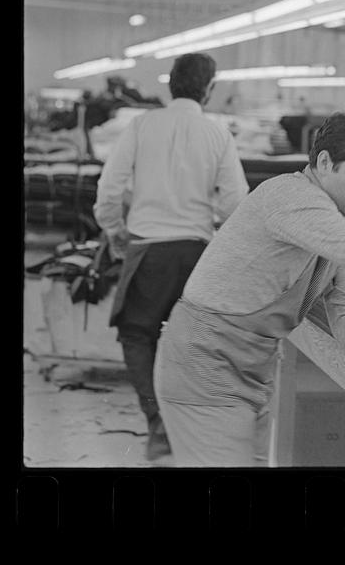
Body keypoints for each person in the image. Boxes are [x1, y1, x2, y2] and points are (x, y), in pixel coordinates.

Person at [153, 112, 345, 467]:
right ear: (325, 162)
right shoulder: (289, 196)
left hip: (250, 370)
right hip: (203, 364)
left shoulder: (334, 232)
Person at [93, 53, 249, 462]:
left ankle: (158, 424)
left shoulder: (142, 126)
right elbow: (237, 204)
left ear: (170, 85)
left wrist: (115, 233)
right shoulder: (218, 135)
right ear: (209, 89)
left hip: (147, 249)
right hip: (197, 253)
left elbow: (109, 188)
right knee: (195, 342)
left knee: (136, 334)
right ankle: (190, 428)